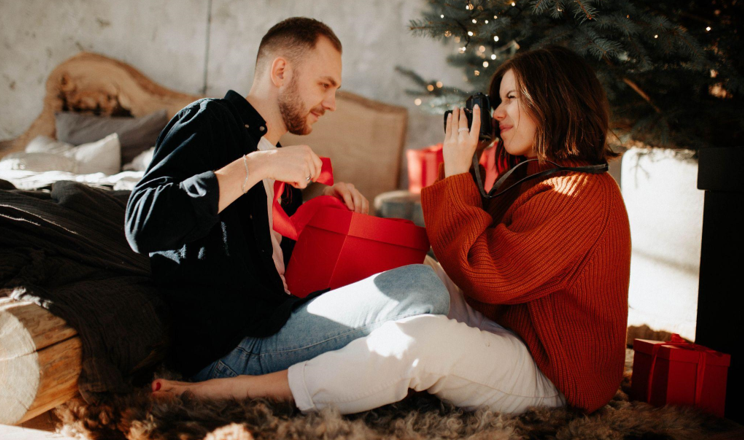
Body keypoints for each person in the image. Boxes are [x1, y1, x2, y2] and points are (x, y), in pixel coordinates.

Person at [151, 45, 631, 417]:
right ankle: (356, 369)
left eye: (510, 100)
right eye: (497, 100)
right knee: (413, 270)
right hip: (511, 322)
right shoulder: (536, 173)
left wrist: (458, 172)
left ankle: (235, 389)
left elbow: (486, 273)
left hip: (552, 370)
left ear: (552, 102)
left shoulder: (584, 194)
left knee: (420, 343)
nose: (498, 113)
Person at [126, 17, 450, 389]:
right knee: (425, 287)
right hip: (233, 348)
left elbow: (276, 267)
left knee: (429, 275)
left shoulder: (282, 163)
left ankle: (303, 386)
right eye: (324, 85)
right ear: (281, 71)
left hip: (280, 320)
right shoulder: (209, 122)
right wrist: (259, 165)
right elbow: (143, 224)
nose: (331, 104)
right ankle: (231, 391)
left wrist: (322, 212)